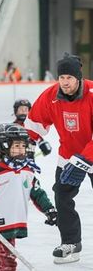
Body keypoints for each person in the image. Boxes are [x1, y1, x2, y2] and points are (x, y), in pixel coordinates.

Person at [24, 52, 93, 264]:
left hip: (90, 153)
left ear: (78, 78)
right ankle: (71, 243)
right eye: (61, 77)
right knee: (62, 197)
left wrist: (83, 161)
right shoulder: (51, 96)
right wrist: (22, 151)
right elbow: (34, 124)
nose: (64, 82)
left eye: (69, 78)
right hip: (68, 155)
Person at [0, 123, 57, 271]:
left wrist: (49, 209)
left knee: (6, 249)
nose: (21, 150)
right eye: (16, 146)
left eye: (23, 146)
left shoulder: (27, 171)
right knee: (9, 254)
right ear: (5, 145)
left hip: (17, 217)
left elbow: (37, 193)